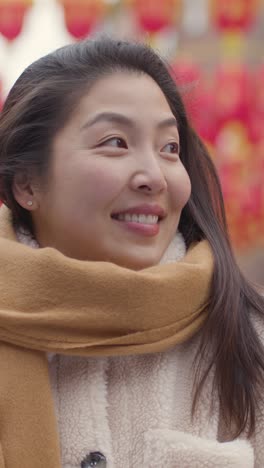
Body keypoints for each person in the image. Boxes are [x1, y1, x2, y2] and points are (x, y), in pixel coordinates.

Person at [0, 37, 263, 468]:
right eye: (116, 142)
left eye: (169, 148)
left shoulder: (248, 340)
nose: (155, 177)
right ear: (27, 184)